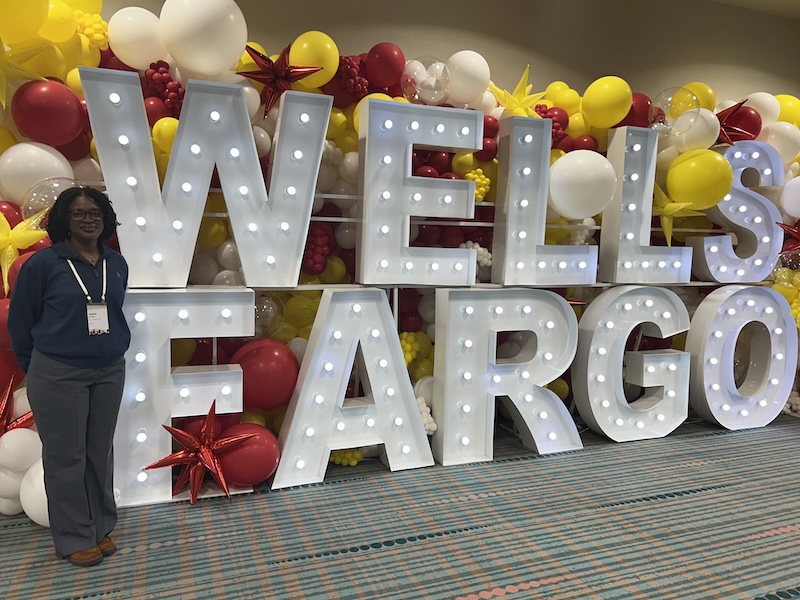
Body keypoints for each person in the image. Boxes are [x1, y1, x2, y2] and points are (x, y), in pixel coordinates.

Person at [8, 187, 131, 567]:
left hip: (109, 368)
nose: (88, 219)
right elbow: (20, 322)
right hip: (58, 372)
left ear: (105, 217)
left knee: (100, 451)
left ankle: (99, 526)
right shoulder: (42, 265)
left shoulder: (116, 263)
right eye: (78, 213)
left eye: (94, 212)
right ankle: (74, 535)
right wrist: (40, 367)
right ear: (64, 219)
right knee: (67, 456)